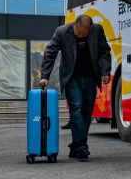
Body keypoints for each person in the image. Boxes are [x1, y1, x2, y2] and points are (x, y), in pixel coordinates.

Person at [39, 14, 112, 160]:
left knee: (87, 112)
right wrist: (45, 75)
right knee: (77, 107)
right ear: (74, 25)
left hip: (91, 77)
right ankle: (81, 147)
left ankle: (75, 146)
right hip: (71, 77)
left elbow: (104, 51)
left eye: (85, 34)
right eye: (80, 33)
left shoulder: (97, 30)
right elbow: (50, 53)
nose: (82, 36)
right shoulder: (62, 32)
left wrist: (105, 71)